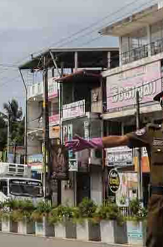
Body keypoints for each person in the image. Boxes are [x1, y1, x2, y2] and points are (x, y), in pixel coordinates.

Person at [65, 91, 163, 247]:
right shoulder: (153, 132)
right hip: (159, 200)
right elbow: (120, 139)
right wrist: (91, 143)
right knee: (155, 239)